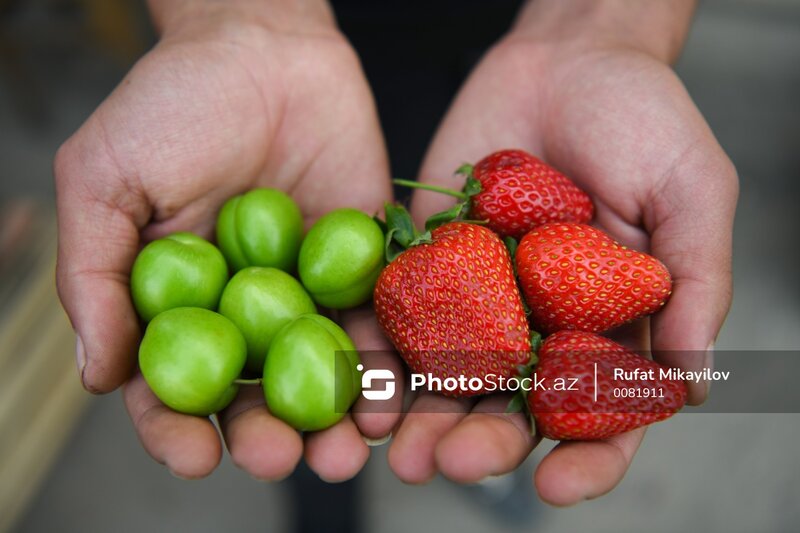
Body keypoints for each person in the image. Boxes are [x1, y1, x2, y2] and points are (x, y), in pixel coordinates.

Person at [54, 0, 737, 506]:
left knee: (391, 371)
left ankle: (458, 458)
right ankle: (332, 501)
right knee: (325, 422)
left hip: (518, 36)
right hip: (302, 57)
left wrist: (605, 28)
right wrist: (233, 18)